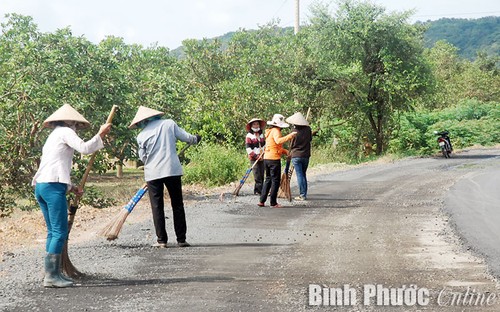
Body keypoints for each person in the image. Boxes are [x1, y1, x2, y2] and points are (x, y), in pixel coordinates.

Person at [32, 104, 112, 288]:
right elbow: (84, 148)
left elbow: (54, 166)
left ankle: (52, 273)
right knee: (60, 232)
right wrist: (100, 135)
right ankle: (51, 276)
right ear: (68, 121)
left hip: (43, 186)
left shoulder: (53, 135)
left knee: (53, 232)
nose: (76, 125)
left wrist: (71, 187)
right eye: (74, 122)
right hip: (52, 187)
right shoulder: (65, 132)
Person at [129, 106, 201, 248]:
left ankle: (162, 240)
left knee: (157, 207)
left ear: (142, 122)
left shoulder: (141, 136)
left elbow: (143, 158)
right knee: (177, 205)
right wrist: (195, 139)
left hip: (153, 173)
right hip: (172, 170)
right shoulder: (169, 123)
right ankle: (181, 239)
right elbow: (186, 137)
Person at [258, 114, 296, 208]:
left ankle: (262, 201)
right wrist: (290, 136)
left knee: (268, 179)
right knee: (275, 180)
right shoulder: (276, 131)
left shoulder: (270, 131)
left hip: (267, 158)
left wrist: (285, 152)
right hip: (274, 159)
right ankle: (273, 202)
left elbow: (274, 145)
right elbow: (278, 141)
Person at [286, 112, 313, 201]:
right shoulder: (308, 129)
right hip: (306, 155)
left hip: (296, 155)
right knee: (303, 174)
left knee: (300, 175)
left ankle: (302, 195)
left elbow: (291, 144)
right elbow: (310, 139)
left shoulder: (294, 132)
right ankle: (304, 194)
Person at [245, 118, 266, 195]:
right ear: (251, 126)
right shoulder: (249, 136)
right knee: (257, 175)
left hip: (262, 157)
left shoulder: (261, 135)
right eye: (254, 124)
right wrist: (256, 156)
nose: (256, 126)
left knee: (262, 174)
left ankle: (259, 190)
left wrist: (263, 154)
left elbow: (264, 145)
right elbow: (248, 149)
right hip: (254, 158)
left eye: (257, 124)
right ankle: (259, 191)